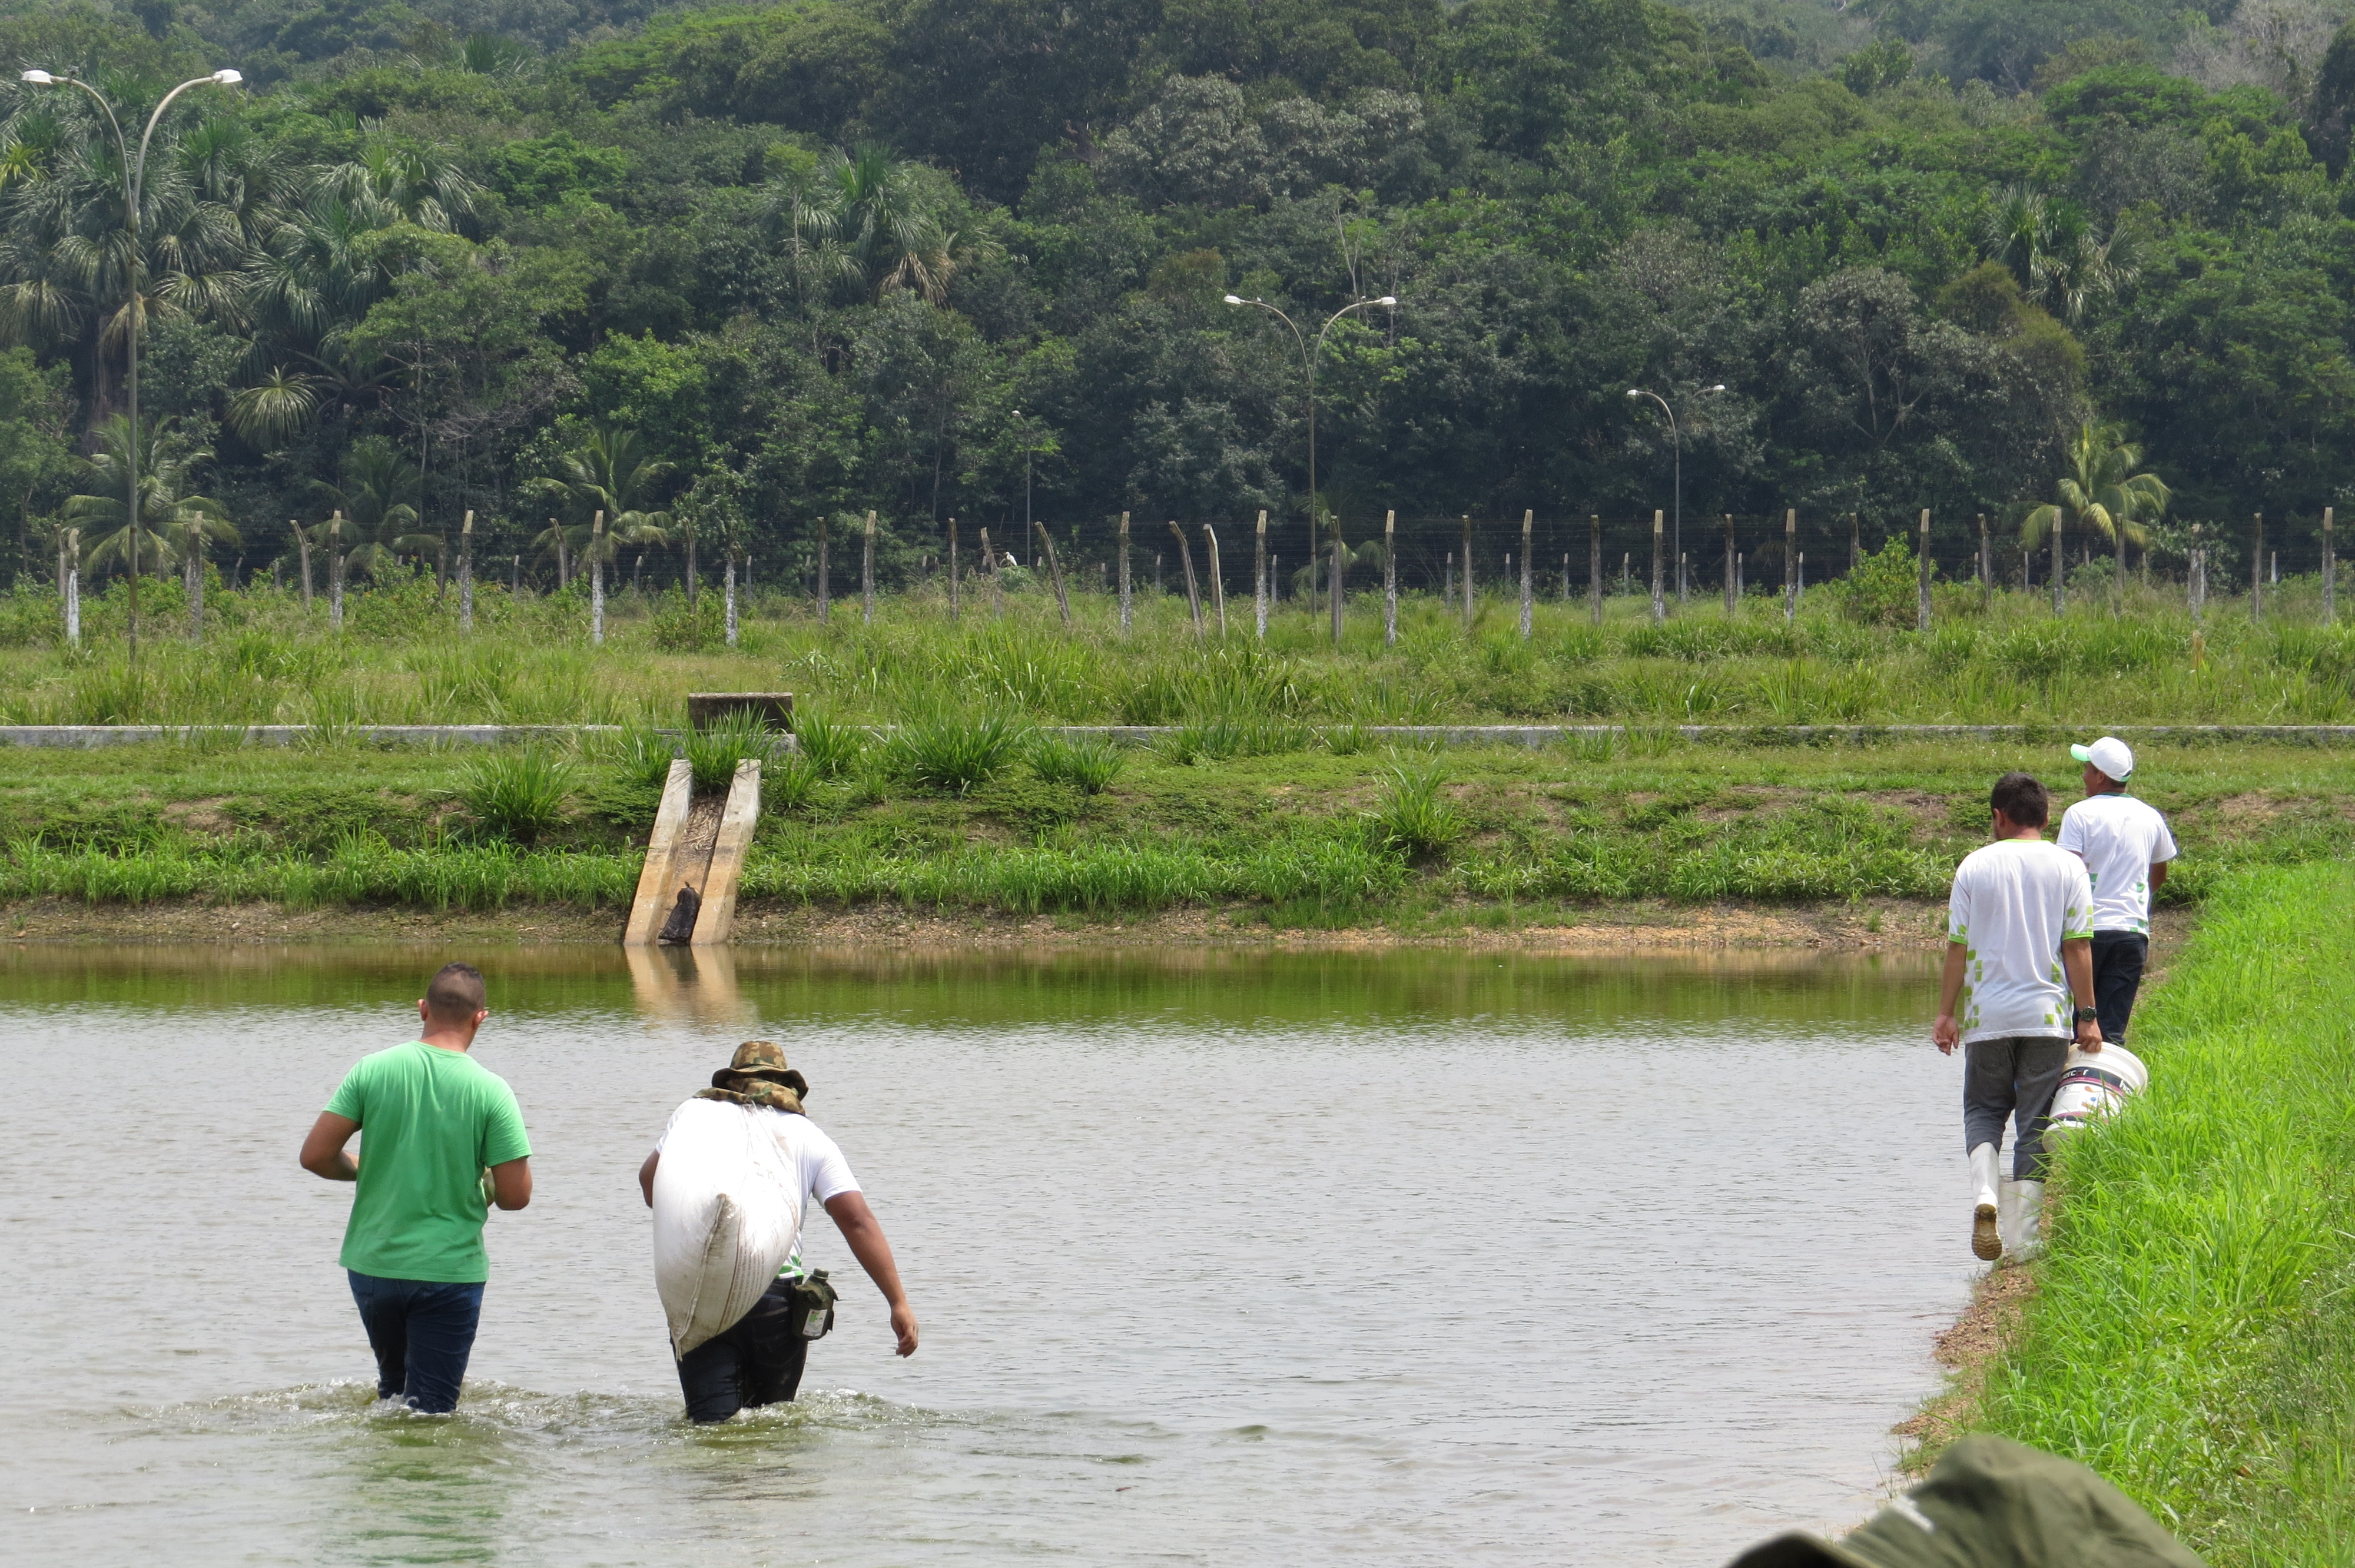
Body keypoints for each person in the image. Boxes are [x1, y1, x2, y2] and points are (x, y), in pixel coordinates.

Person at [639, 1041, 917, 1422]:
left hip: (702, 1289)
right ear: (786, 1086)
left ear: (732, 1081)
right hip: (776, 1299)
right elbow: (857, 1221)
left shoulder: (694, 1118)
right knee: (772, 1426)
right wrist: (897, 1302)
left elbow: (650, 1185)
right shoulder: (808, 1136)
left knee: (711, 1427)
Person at [298, 962, 532, 1414]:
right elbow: (516, 1197)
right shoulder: (491, 1091)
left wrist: (361, 1168)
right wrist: (482, 1183)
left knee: (394, 1393)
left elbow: (315, 1156)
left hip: (374, 1267)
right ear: (480, 1017)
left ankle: (387, 1482)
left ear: (423, 1009)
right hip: (447, 1271)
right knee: (433, 1411)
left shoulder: (371, 1070)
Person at [1932, 773, 2101, 1263]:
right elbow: (2078, 948)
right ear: (2047, 818)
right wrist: (2087, 1017)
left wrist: (1946, 1014)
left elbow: (1957, 949)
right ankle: (2024, 1239)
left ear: (1998, 817)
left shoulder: (1973, 866)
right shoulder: (2069, 867)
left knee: (1983, 1112)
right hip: (2046, 1016)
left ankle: (1985, 1197)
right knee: (2035, 1122)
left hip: (1989, 1017)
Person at [2057, 736, 2179, 1047]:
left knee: (2077, 1024)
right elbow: (2160, 869)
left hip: (2086, 935)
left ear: (2100, 776)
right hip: (2132, 933)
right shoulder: (2150, 815)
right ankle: (2104, 1090)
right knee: (2111, 1031)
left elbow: (2067, 872)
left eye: (2086, 769)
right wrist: (2139, 900)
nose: (2083, 775)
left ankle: (2068, 1089)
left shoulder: (2079, 814)